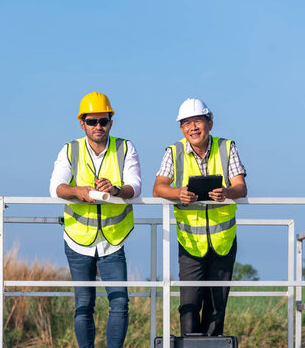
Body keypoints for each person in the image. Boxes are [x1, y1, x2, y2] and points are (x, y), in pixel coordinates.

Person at [49, 92, 142, 348]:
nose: (98, 126)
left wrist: (114, 190)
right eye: (92, 122)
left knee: (120, 302)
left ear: (111, 121)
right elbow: (55, 188)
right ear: (82, 123)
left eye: (103, 121)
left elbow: (135, 186)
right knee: (83, 304)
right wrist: (78, 191)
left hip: (114, 239)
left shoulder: (125, 147)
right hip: (78, 238)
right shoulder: (70, 149)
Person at [153, 98, 247, 336]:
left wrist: (226, 192)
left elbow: (240, 187)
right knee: (189, 305)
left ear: (210, 123)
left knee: (217, 307)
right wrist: (178, 193)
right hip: (190, 243)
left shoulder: (227, 147)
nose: (193, 127)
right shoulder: (173, 152)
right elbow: (158, 188)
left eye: (198, 121)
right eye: (187, 123)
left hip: (223, 242)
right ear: (181, 129)